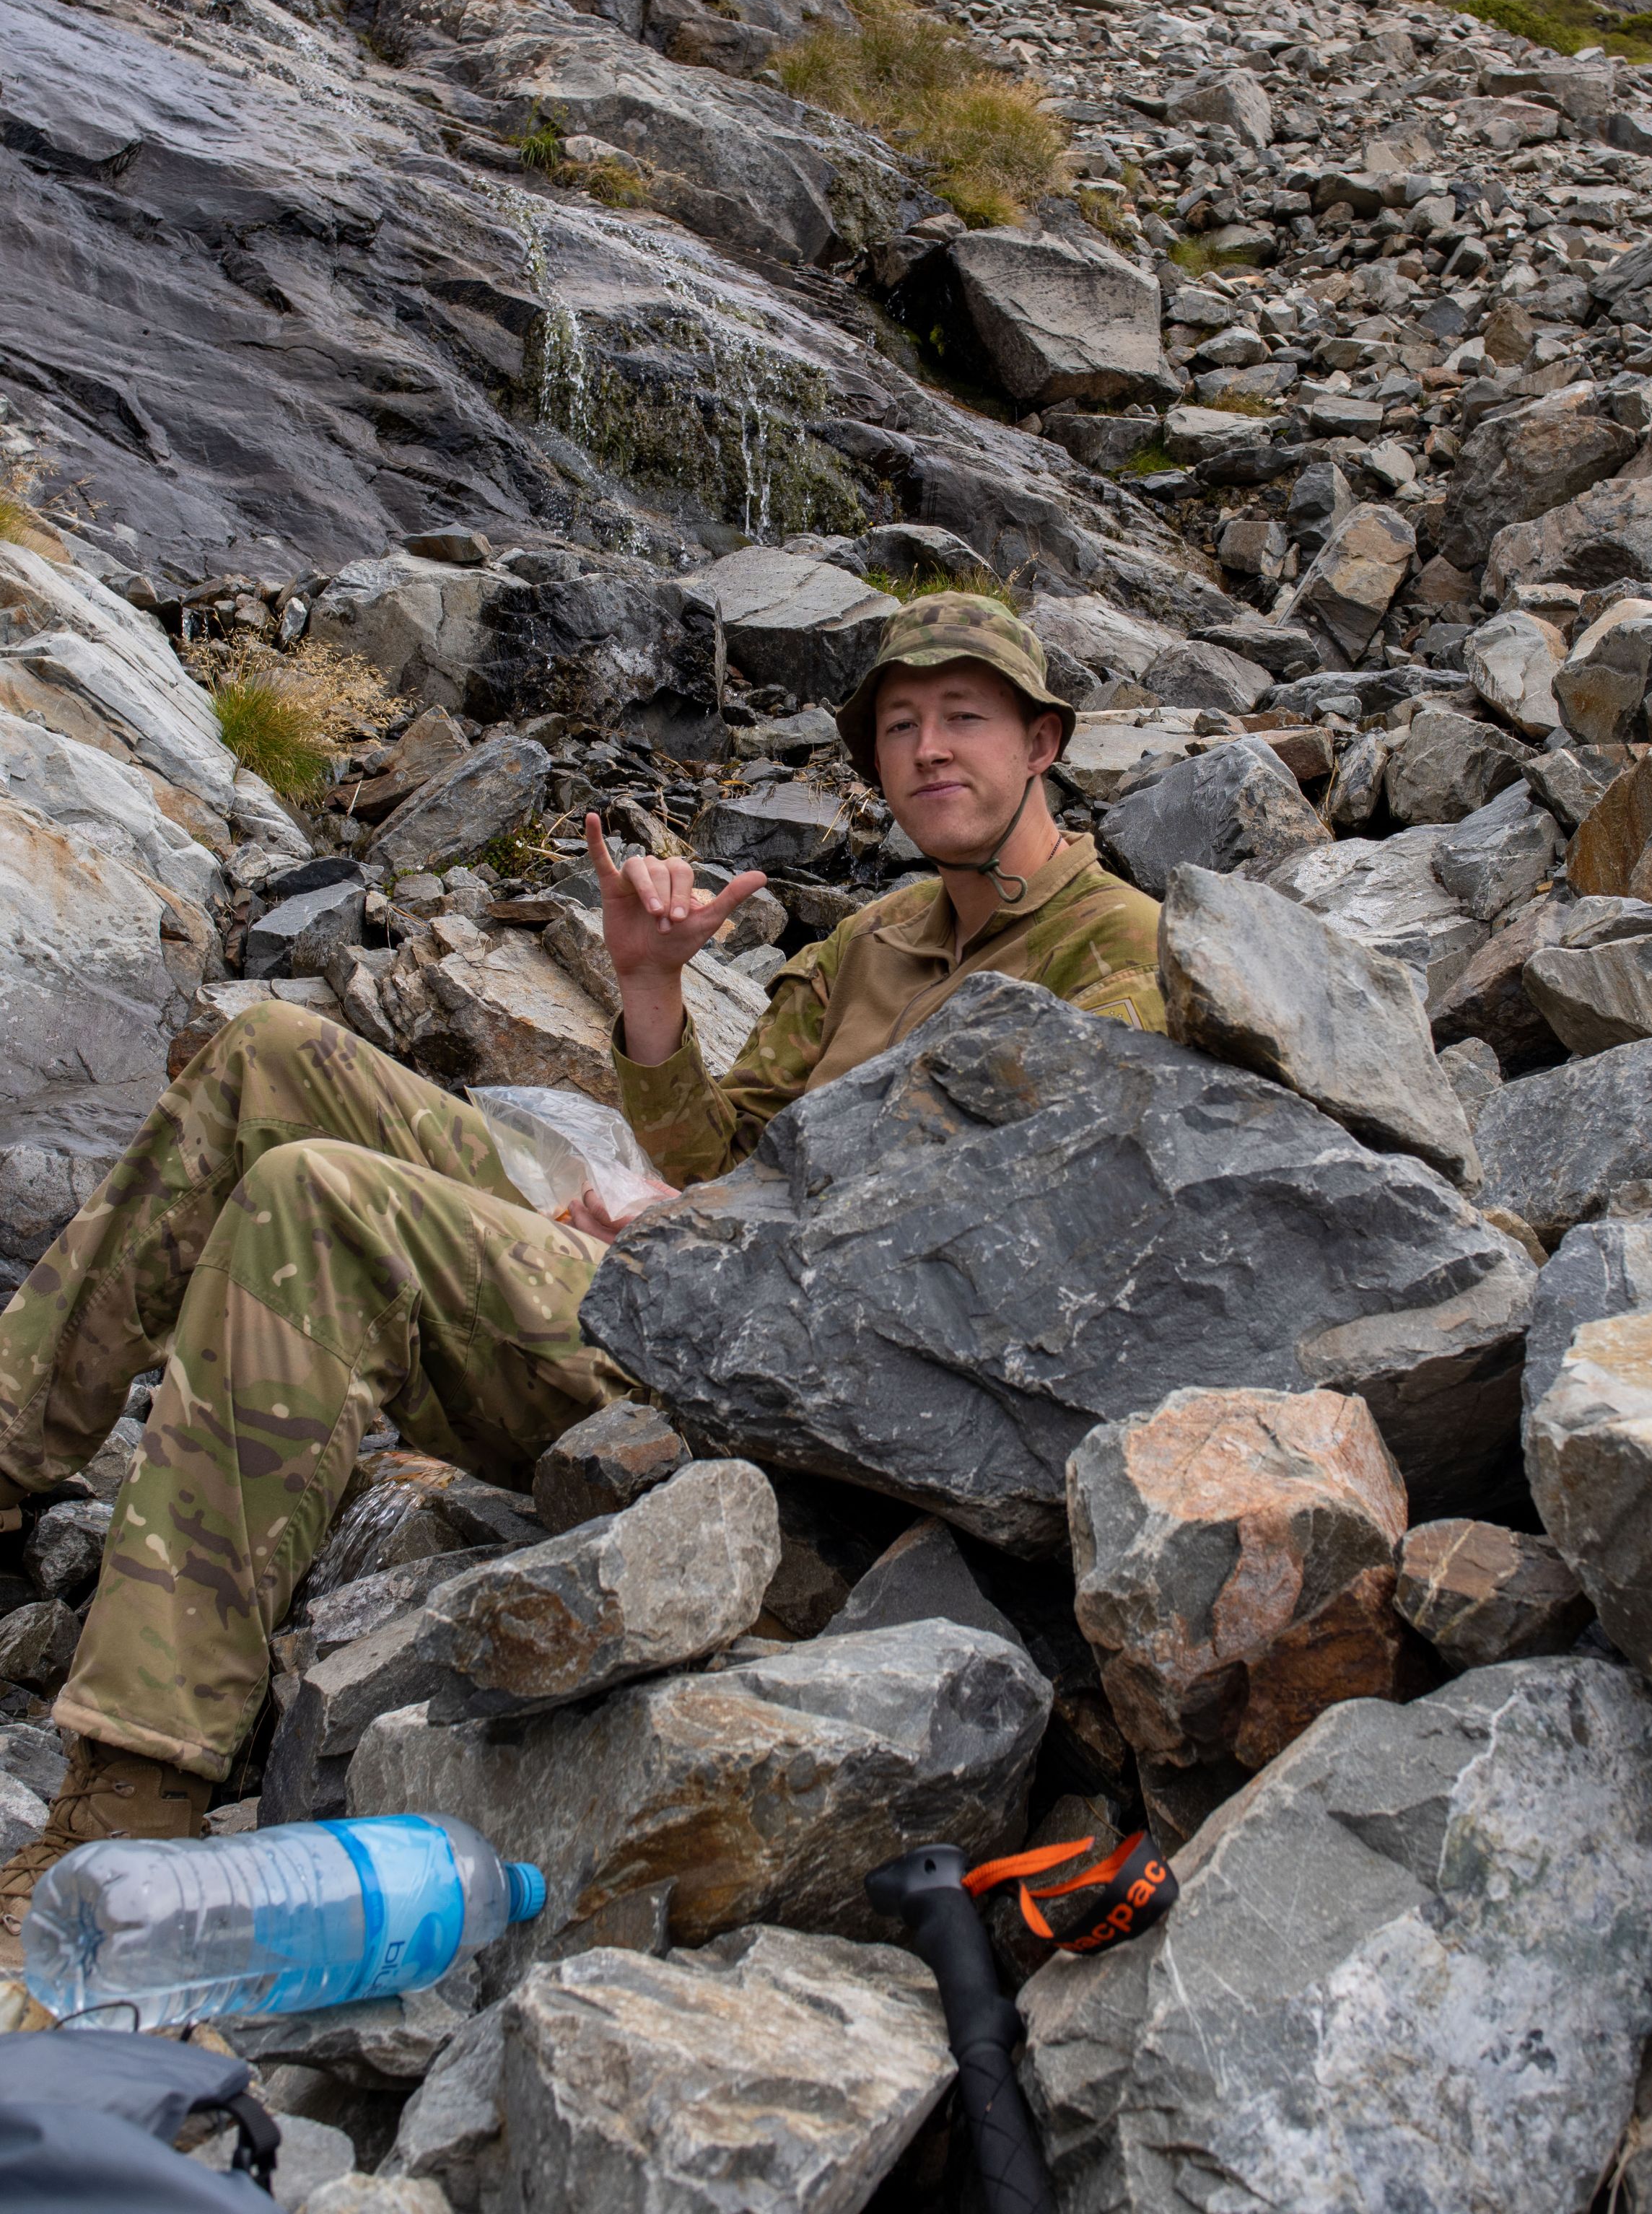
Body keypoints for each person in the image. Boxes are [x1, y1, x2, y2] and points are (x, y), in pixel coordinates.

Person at [0, 592, 1161, 1953]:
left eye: (964, 718)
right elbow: (723, 1148)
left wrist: (706, 1234)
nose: (928, 751)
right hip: (698, 1282)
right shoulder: (877, 941)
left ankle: (128, 1796)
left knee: (320, 1203)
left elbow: (1025, 1256)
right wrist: (654, 996)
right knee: (271, 1056)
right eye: (900, 726)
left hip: (792, 1399)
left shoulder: (1118, 957)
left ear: (1045, 741)